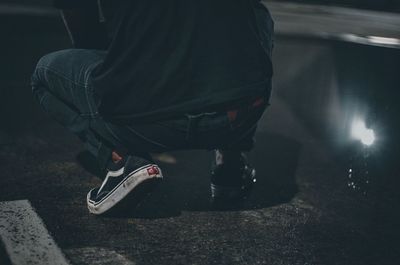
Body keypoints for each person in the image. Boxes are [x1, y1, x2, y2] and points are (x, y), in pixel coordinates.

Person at [31, 0, 274, 215]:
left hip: (149, 120)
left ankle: (122, 161)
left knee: (44, 74)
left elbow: (84, 35)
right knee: (256, 15)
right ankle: (230, 164)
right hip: (235, 117)